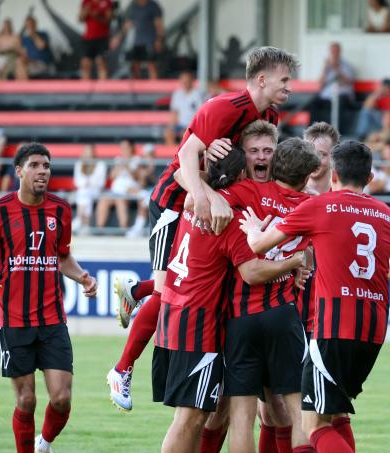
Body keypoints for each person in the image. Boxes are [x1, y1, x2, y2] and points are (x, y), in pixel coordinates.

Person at [106, 47, 298, 414]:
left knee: (196, 284)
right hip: (173, 202)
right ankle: (122, 367)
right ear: (262, 79)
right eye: (284, 79)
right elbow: (182, 166)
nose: (290, 86)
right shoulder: (223, 108)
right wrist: (207, 197)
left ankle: (135, 290)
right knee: (167, 291)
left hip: (207, 204)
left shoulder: (269, 115)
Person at [239, 140, 390, 453]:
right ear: (370, 178)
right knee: (334, 414)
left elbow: (260, 246)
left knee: (312, 425)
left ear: (332, 175)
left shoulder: (320, 206)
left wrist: (252, 230)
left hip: (334, 327)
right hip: (374, 330)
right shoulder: (388, 214)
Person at [0, 142, 98, 453]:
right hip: (14, 321)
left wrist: (82, 277)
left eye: (47, 166)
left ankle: (44, 443)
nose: (42, 171)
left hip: (52, 320)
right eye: (35, 165)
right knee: (26, 400)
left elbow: (62, 256)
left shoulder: (60, 209)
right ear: (19, 171)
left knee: (62, 398)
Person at [216, 137, 321, 453]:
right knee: (298, 411)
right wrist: (301, 260)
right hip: (282, 314)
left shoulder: (247, 191)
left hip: (240, 317)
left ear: (274, 164)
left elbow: (207, 195)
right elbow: (317, 249)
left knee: (242, 416)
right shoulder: (310, 206)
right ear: (305, 178)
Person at [119, 0, 164, 80]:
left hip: (150, 41)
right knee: (135, 68)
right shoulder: (132, 6)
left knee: (151, 66)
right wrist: (119, 36)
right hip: (136, 42)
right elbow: (128, 23)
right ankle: (137, 89)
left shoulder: (153, 5)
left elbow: (159, 23)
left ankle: (155, 89)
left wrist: (159, 39)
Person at [313, 42, 355, 123]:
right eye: (332, 52)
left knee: (339, 102)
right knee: (314, 103)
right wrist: (324, 69)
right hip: (327, 98)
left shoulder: (347, 66)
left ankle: (336, 132)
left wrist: (336, 68)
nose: (334, 54)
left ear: (340, 52)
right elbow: (320, 83)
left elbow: (347, 82)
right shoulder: (326, 67)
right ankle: (314, 130)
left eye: (336, 51)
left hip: (342, 97)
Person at [72, 144, 108, 232]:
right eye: (86, 151)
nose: (88, 153)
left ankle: (80, 219)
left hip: (97, 191)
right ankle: (85, 225)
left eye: (90, 151)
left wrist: (87, 182)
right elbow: (77, 182)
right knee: (84, 192)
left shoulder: (101, 164)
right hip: (83, 190)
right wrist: (88, 182)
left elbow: (101, 183)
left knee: (84, 192)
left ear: (94, 152)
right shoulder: (79, 164)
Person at [163, 71, 205, 145]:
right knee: (168, 134)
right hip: (180, 125)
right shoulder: (177, 94)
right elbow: (175, 112)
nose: (185, 83)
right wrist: (170, 126)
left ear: (191, 81)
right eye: (183, 81)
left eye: (187, 81)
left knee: (184, 134)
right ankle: (175, 153)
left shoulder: (198, 94)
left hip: (192, 125)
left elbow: (200, 114)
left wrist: (192, 127)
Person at [79, 0, 113, 80]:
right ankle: (85, 89)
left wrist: (97, 16)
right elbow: (80, 19)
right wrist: (85, 12)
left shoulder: (107, 2)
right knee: (85, 64)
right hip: (88, 38)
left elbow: (109, 20)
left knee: (101, 63)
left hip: (102, 38)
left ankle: (104, 90)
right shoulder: (86, 2)